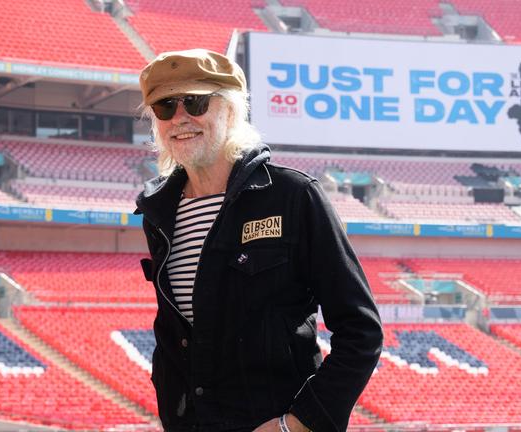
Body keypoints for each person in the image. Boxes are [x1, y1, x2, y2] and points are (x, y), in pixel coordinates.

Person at [135, 48, 383, 432]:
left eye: (196, 102)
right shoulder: (159, 213)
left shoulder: (293, 196)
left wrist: (297, 424)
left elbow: (361, 332)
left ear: (231, 112)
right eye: (165, 106)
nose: (180, 117)